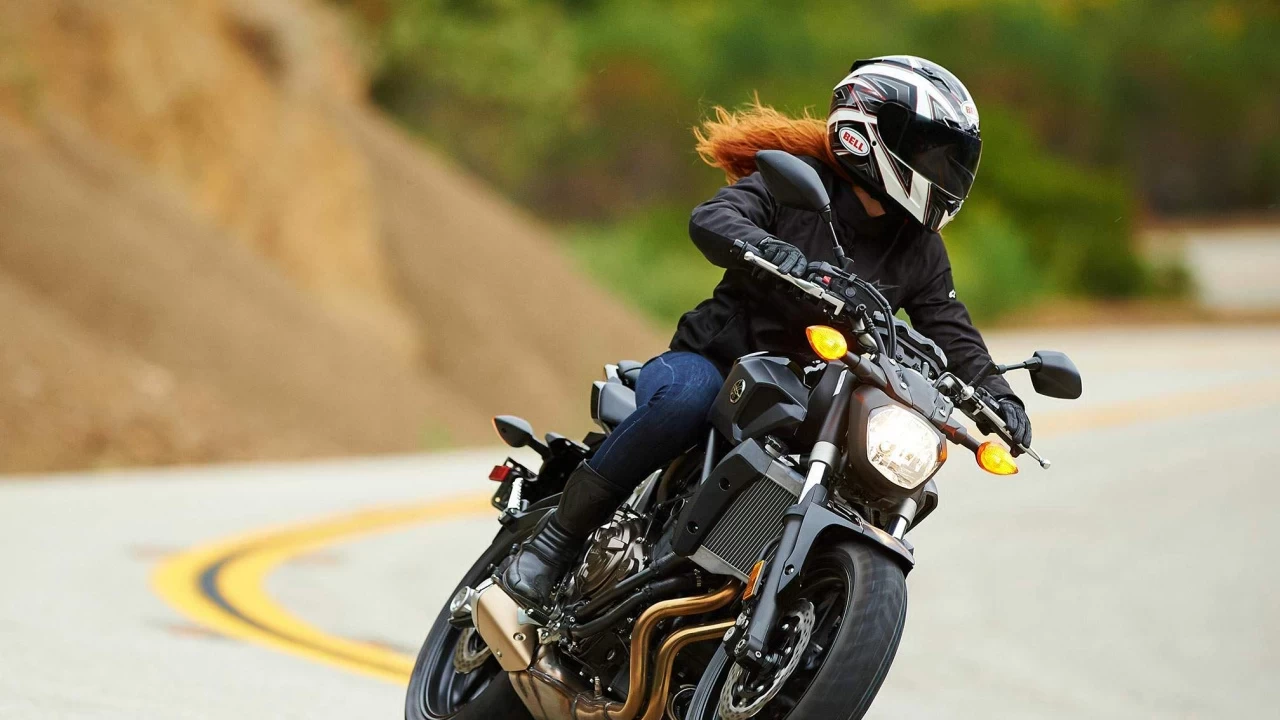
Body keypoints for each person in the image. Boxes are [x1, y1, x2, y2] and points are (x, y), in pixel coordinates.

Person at [501, 55, 1032, 611]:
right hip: (716, 363)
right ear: (874, 134)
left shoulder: (920, 249)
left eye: (951, 161)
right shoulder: (796, 183)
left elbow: (951, 328)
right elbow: (713, 219)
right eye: (931, 156)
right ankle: (555, 541)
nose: (942, 173)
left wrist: (1000, 396)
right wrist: (774, 251)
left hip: (814, 403)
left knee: (879, 472)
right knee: (685, 400)